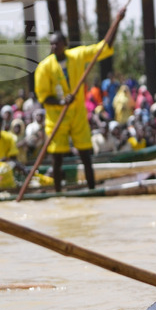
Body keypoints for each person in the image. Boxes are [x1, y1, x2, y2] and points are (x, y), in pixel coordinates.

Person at [34, 10, 124, 192]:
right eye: (51, 44)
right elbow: (43, 97)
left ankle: (91, 191)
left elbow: (103, 47)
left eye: (57, 43)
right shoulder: (44, 67)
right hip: (56, 117)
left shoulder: (77, 56)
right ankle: (58, 193)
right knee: (57, 159)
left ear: (65, 44)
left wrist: (117, 22)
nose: (54, 47)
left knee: (86, 156)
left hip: (77, 115)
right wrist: (61, 102)